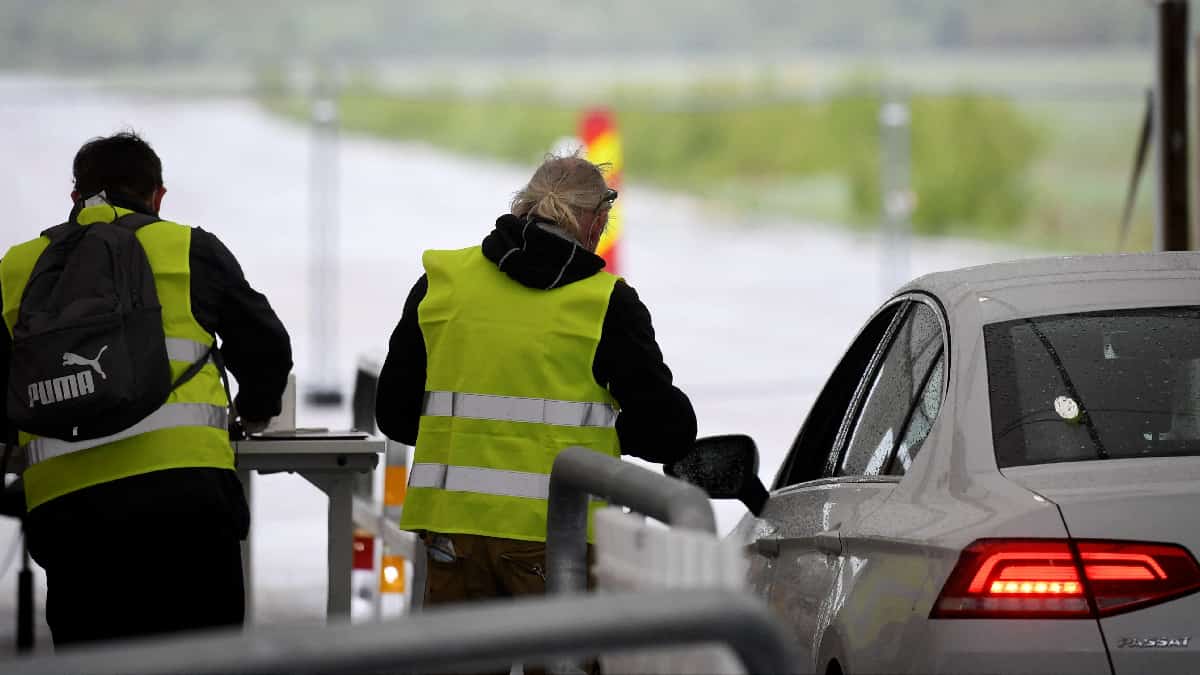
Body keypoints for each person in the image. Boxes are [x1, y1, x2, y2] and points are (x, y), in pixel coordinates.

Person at [0, 131, 292, 646]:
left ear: (75, 198)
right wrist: (254, 414)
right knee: (205, 659)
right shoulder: (188, 248)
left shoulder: (18, 268)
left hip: (71, 516)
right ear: (158, 196)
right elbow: (266, 345)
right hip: (188, 506)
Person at [376, 154, 697, 609]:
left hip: (453, 537)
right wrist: (589, 441)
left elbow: (394, 413)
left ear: (523, 207)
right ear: (595, 221)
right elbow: (669, 433)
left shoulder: (441, 284)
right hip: (558, 540)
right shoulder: (605, 305)